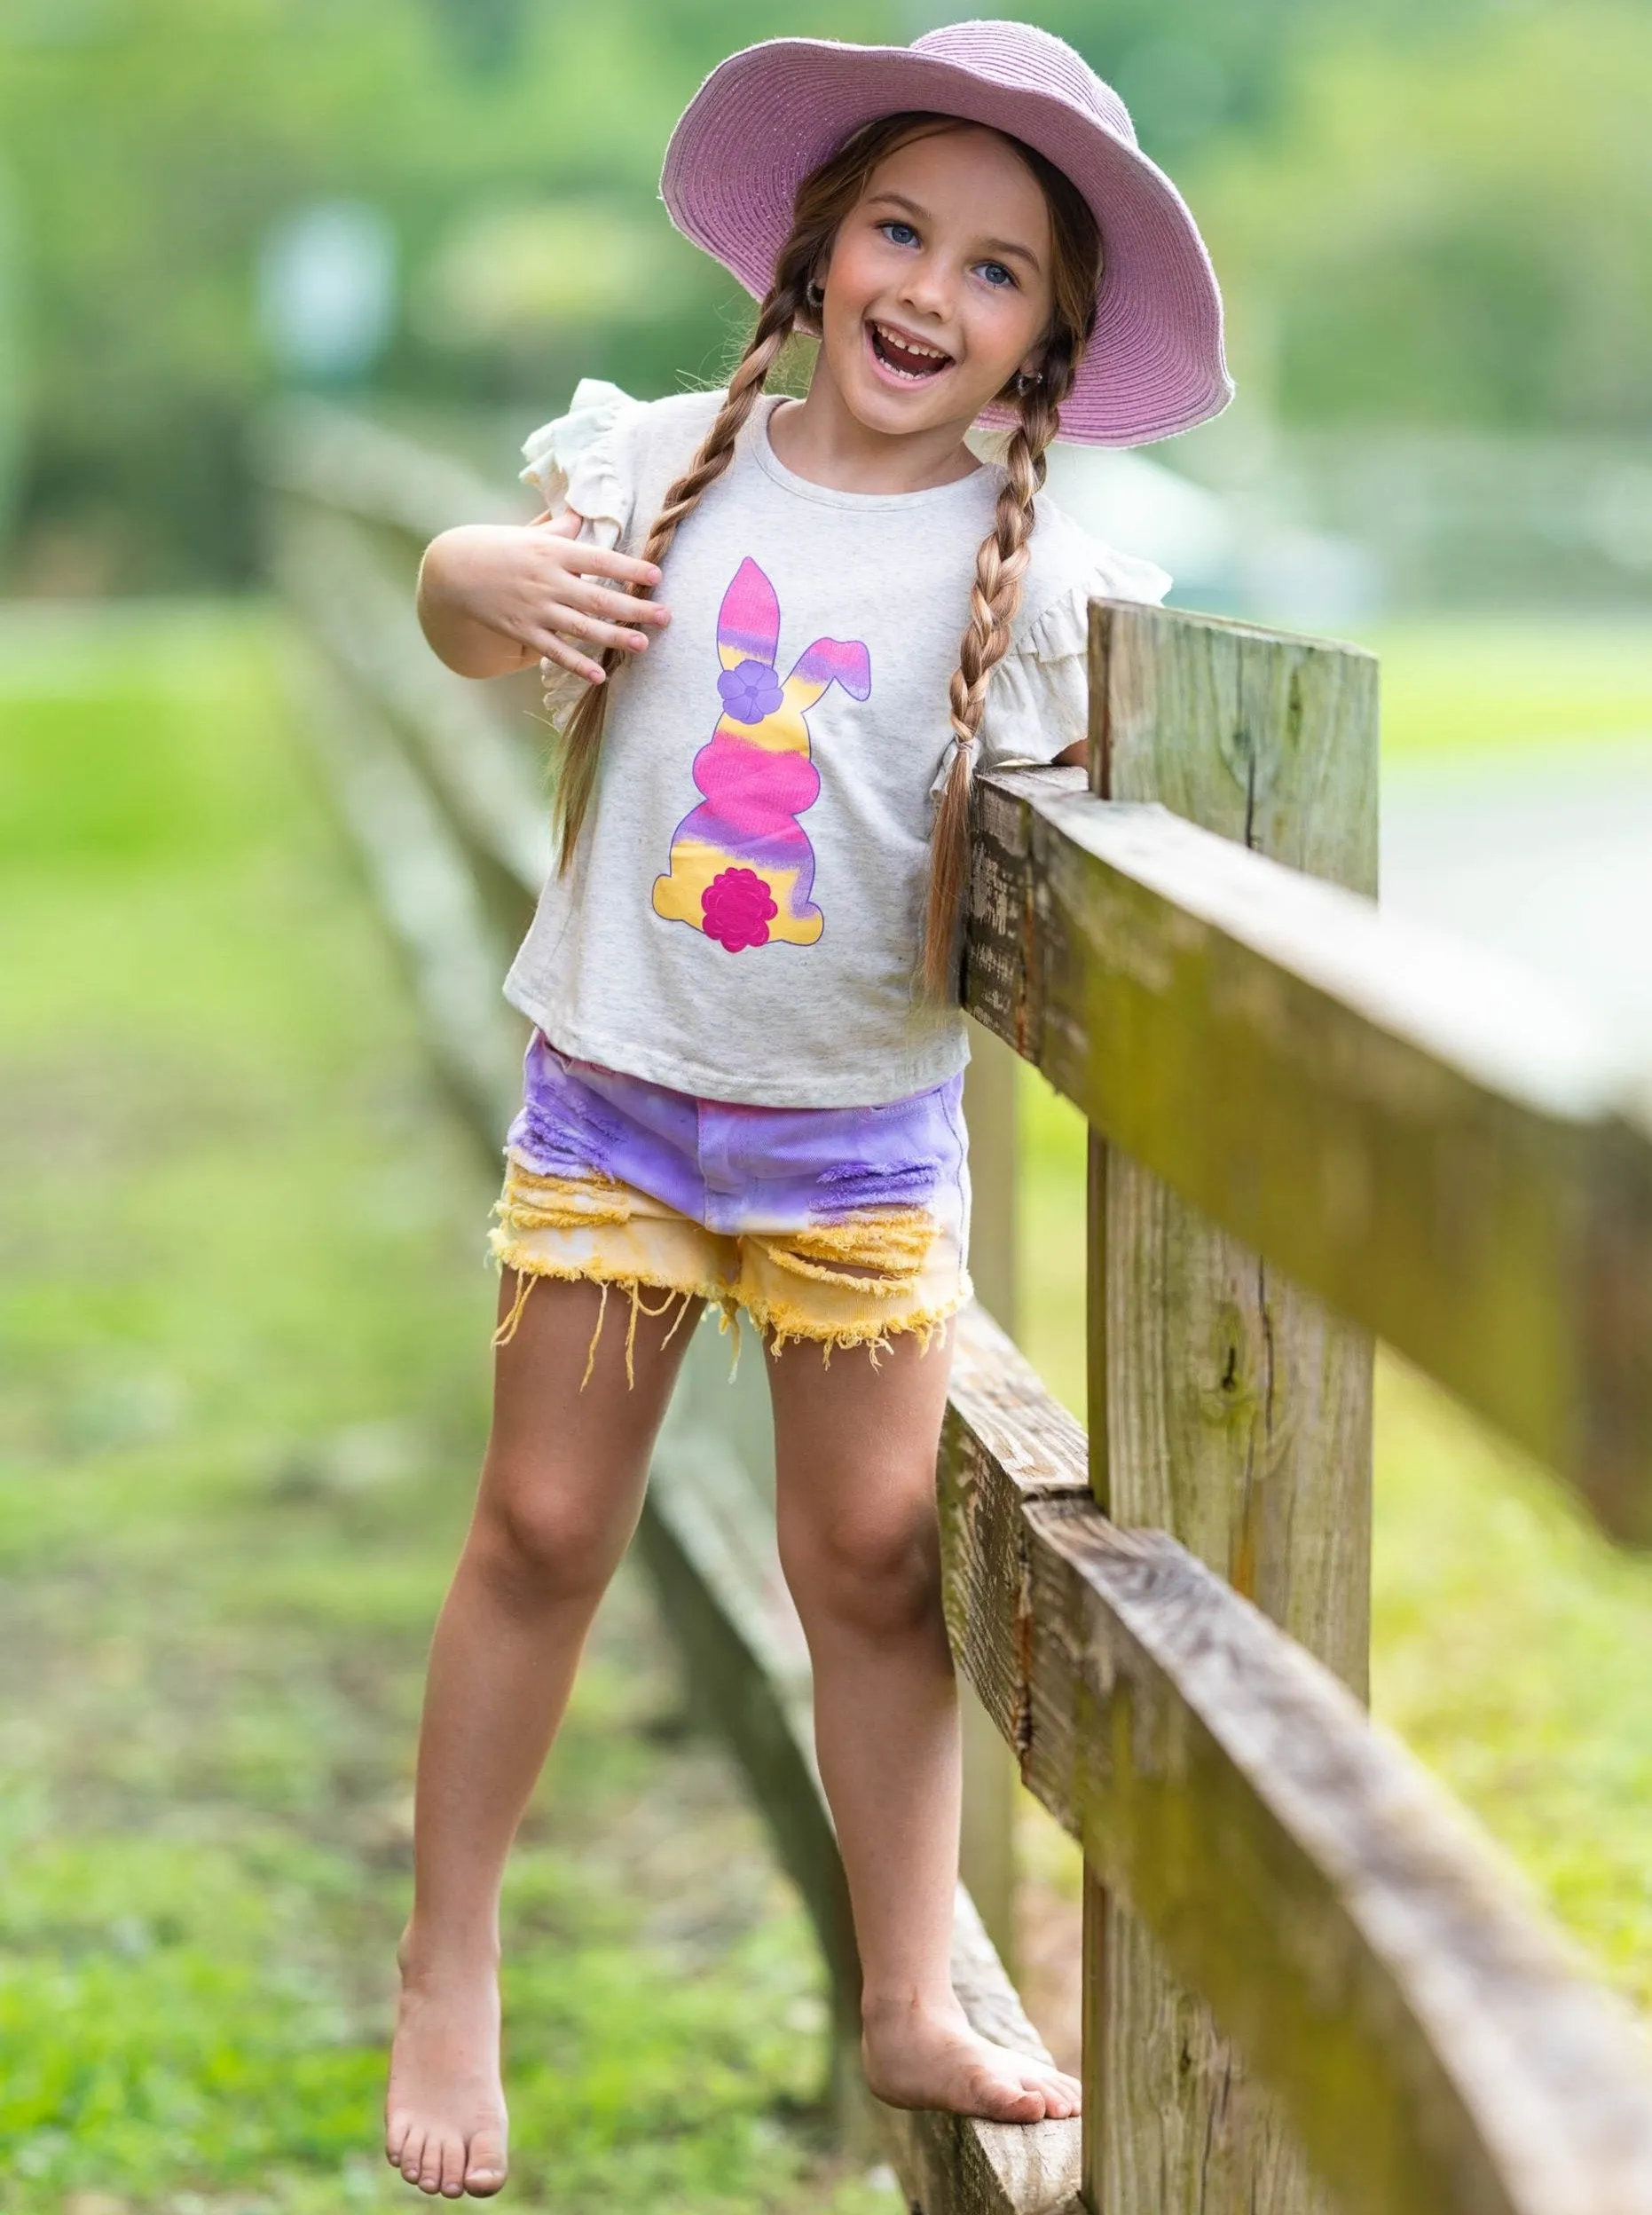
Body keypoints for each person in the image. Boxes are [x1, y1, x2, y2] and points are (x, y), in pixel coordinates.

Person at [388, 19, 1231, 2199]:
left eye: (994, 270)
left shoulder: (1028, 578)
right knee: (544, 1529)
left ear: (1044, 345)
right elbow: (472, 613)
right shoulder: (671, 453)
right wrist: (471, 581)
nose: (925, 293)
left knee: (865, 1566)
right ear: (813, 240)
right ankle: (446, 1963)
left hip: (852, 1145)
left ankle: (907, 1996)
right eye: (896, 230)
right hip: (615, 1109)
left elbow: (1121, 824)